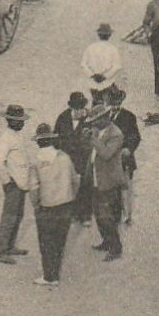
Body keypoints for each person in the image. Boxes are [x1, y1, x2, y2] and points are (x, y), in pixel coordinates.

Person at [29, 123, 78, 286]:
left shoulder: (36, 161)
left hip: (47, 206)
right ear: (51, 140)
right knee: (60, 240)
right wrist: (71, 196)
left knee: (46, 242)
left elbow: (34, 187)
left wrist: (36, 205)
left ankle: (50, 276)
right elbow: (75, 180)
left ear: (38, 142)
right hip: (66, 203)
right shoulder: (64, 156)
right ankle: (55, 272)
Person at [0, 104, 33, 264]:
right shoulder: (6, 138)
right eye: (19, 120)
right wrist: (7, 182)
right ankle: (1, 251)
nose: (22, 123)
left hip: (21, 183)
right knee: (9, 217)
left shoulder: (16, 135)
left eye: (22, 120)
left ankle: (10, 246)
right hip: (14, 184)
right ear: (10, 121)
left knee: (18, 215)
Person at [87, 105, 126, 261]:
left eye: (95, 120)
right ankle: (106, 241)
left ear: (105, 118)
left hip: (108, 181)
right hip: (96, 178)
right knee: (98, 214)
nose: (93, 124)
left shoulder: (116, 134)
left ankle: (115, 248)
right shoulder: (98, 131)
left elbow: (106, 154)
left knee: (107, 216)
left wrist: (93, 139)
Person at [54, 91, 94, 223]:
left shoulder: (90, 118)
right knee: (68, 185)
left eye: (82, 107)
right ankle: (71, 213)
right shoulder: (62, 118)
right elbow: (55, 138)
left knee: (85, 186)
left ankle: (85, 215)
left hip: (84, 159)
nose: (80, 111)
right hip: (67, 159)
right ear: (71, 107)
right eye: (77, 108)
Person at [106, 86, 141, 226]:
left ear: (121, 102)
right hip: (109, 159)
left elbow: (135, 136)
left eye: (117, 103)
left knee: (126, 188)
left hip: (124, 158)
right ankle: (114, 213)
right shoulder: (103, 116)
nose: (115, 105)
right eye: (112, 102)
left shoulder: (129, 116)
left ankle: (127, 215)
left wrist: (129, 148)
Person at [81, 23, 123, 103]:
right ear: (109, 35)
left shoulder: (90, 48)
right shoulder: (113, 49)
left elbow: (83, 65)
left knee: (96, 102)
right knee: (109, 103)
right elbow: (117, 66)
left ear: (98, 35)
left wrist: (92, 75)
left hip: (93, 84)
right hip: (107, 83)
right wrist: (105, 76)